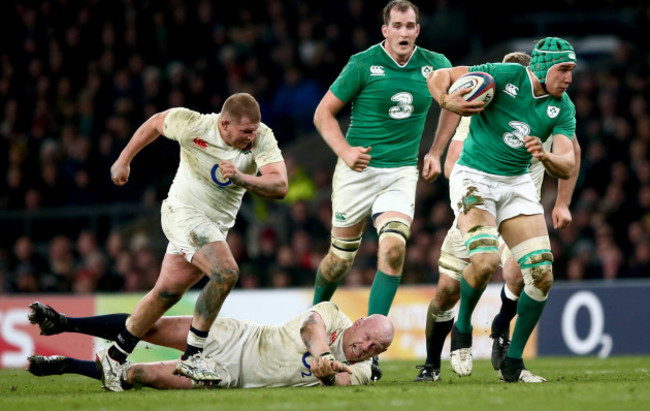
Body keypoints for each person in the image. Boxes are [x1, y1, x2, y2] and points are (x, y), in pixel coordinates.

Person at [98, 93, 288, 391]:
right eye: (246, 131)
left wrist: (242, 178)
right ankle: (193, 355)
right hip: (182, 213)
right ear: (225, 124)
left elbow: (280, 185)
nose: (252, 136)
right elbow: (155, 123)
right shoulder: (193, 125)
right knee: (226, 272)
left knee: (166, 294)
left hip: (213, 227)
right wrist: (123, 161)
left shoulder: (262, 137)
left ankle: (114, 355)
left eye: (255, 129)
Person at [414, 51, 582, 383]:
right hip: (476, 186)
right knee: (460, 279)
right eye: (564, 70)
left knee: (537, 272)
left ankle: (509, 352)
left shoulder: (560, 108)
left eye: (571, 71)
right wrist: (446, 103)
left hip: (519, 195)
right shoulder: (483, 95)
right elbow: (452, 160)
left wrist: (557, 190)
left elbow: (570, 158)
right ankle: (439, 354)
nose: (570, 78)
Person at [310, 0, 452, 380]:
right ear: (385, 30)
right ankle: (311, 321)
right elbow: (322, 114)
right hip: (357, 172)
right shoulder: (362, 64)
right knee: (339, 260)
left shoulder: (435, 64)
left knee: (394, 248)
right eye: (398, 26)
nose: (405, 32)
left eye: (411, 26)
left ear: (418, 30)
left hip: (400, 173)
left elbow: (453, 102)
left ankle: (373, 348)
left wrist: (436, 151)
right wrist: (345, 151)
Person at [27, 301, 394, 389]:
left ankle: (66, 365)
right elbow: (311, 326)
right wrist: (323, 356)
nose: (367, 349)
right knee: (148, 326)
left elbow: (344, 382)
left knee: (139, 373)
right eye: (368, 339)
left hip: (226, 374)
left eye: (376, 349)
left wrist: (329, 374)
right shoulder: (333, 314)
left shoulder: (362, 370)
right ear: (359, 323)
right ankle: (62, 323)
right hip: (239, 336)